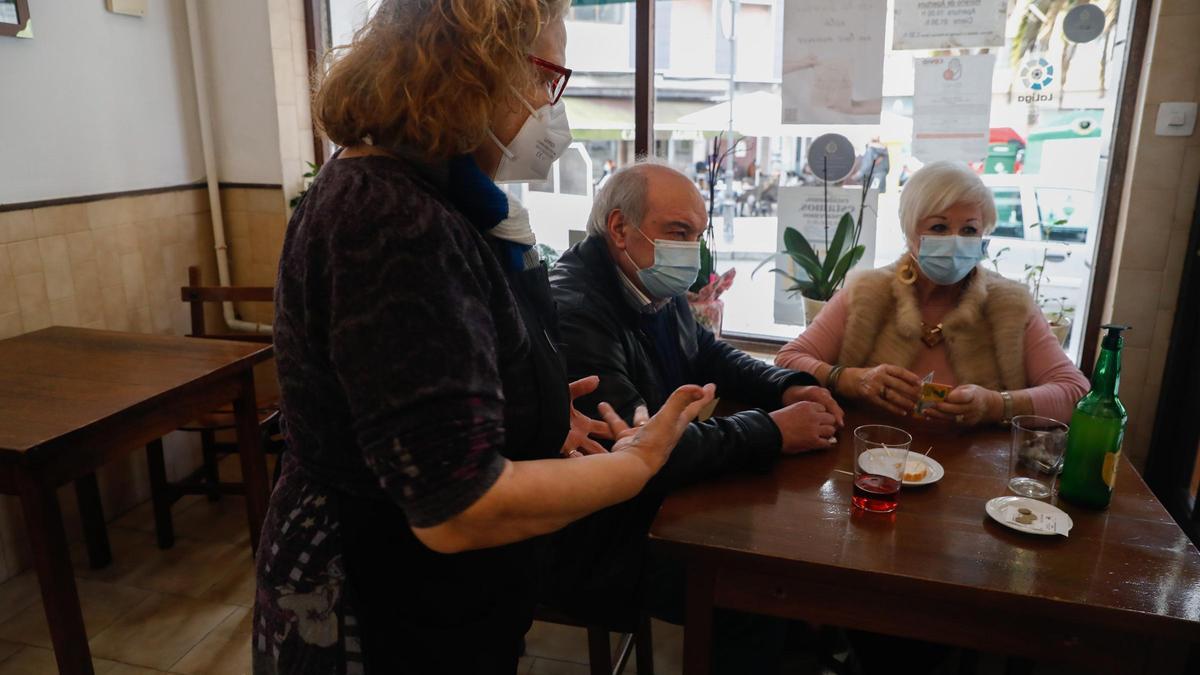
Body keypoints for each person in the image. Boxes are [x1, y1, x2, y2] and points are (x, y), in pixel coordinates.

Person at [253, 3, 715, 673]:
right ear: (476, 64)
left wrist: (527, 408)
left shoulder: (422, 193)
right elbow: (456, 507)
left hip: (435, 592)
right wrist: (635, 463)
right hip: (375, 598)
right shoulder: (390, 215)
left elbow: (415, 382)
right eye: (545, 77)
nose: (547, 106)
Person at [546, 162, 844, 673]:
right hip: (599, 537)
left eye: (698, 234)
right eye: (679, 233)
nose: (693, 250)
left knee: (793, 562)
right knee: (752, 590)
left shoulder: (645, 284)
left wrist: (784, 383)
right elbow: (640, 451)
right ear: (620, 228)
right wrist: (771, 429)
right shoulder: (576, 309)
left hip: (656, 503)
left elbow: (708, 354)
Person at [776, 161, 1089, 426]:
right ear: (910, 232)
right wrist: (851, 380)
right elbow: (788, 360)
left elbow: (1074, 392)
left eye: (969, 230)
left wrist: (996, 404)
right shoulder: (868, 292)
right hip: (869, 462)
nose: (955, 240)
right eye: (939, 228)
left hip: (975, 473)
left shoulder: (1009, 304)